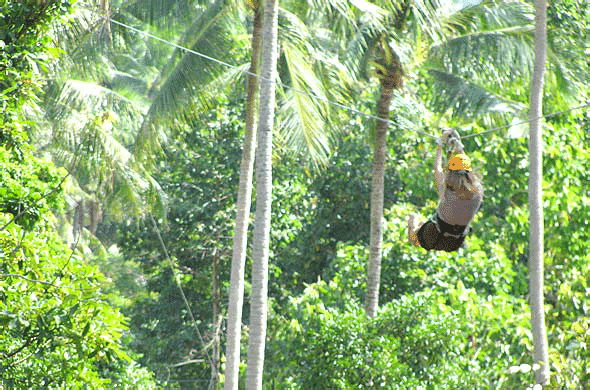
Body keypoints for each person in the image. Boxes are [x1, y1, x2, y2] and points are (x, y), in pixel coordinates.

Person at [408, 129, 484, 252]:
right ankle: (418, 223)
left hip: (434, 234)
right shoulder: (478, 190)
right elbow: (465, 168)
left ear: (450, 171)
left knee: (414, 239)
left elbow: (437, 168)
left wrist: (440, 145)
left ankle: (412, 222)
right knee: (424, 227)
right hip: (455, 241)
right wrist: (459, 148)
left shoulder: (446, 189)